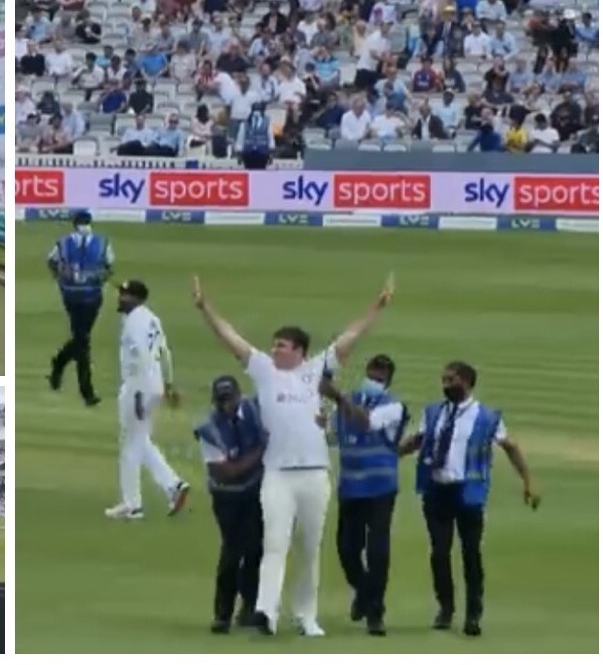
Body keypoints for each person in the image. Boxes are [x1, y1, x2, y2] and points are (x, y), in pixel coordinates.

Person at [190, 272, 394, 637]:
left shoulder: (315, 370)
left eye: (281, 346)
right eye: (274, 345)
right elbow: (231, 339)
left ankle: (305, 615)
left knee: (309, 548)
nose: (274, 350)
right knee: (274, 543)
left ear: (299, 350)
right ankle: (266, 612)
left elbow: (350, 338)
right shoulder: (265, 371)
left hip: (315, 474)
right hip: (278, 474)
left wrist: (377, 306)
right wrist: (205, 308)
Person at [398, 361, 541, 637]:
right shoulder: (434, 411)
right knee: (439, 553)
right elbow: (419, 440)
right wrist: (392, 454)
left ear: (465, 381)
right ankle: (445, 608)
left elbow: (510, 447)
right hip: (436, 490)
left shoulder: (487, 417)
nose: (445, 385)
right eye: (444, 380)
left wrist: (527, 481)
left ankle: (473, 614)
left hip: (468, 493)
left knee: (471, 553)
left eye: (450, 380)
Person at [318, 354, 410, 636]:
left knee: (377, 550)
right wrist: (320, 421)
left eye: (380, 378)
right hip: (350, 486)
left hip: (381, 487)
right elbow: (333, 437)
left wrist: (338, 397)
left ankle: (375, 612)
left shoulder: (393, 406)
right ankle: (364, 591)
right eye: (372, 375)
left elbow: (367, 422)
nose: (374, 381)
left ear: (388, 381)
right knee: (347, 548)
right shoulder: (348, 401)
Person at [107, 280, 190, 520]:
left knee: (131, 445)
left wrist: (138, 392)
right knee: (139, 439)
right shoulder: (151, 318)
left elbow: (143, 355)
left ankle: (132, 504)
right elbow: (166, 352)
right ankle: (173, 485)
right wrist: (169, 384)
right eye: (121, 293)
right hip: (153, 384)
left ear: (137, 298)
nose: (120, 298)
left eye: (125, 295)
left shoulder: (134, 323)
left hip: (139, 386)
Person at [194, 375, 266, 634]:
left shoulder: (255, 409)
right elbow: (223, 472)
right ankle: (222, 613)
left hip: (256, 489)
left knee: (257, 548)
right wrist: (260, 452)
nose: (227, 405)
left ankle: (249, 606)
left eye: (231, 399)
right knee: (233, 550)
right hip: (227, 496)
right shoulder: (208, 429)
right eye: (222, 401)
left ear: (239, 395)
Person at [47, 210, 113, 406]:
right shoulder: (102, 242)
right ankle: (87, 391)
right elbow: (109, 265)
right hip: (92, 296)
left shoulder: (64, 242)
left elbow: (51, 261)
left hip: (70, 295)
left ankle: (58, 364)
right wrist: (100, 278)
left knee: (80, 338)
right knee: (83, 340)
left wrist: (60, 277)